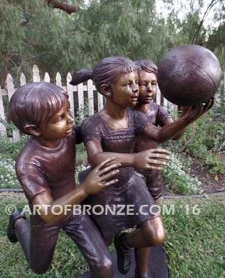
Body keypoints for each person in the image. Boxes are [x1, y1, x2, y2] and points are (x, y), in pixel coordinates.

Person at [70, 56, 212, 278]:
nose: (136, 90)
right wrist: (134, 159)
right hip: (103, 187)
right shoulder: (94, 124)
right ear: (107, 90)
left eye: (137, 83)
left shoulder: (135, 117)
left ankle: (125, 242)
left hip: (131, 182)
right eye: (129, 84)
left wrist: (187, 118)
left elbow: (159, 134)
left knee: (156, 235)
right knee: (101, 242)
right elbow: (96, 156)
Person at [6, 81, 121, 277]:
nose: (70, 120)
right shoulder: (28, 163)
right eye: (60, 117)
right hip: (47, 216)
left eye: (68, 112)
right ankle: (18, 221)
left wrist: (115, 100)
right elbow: (49, 213)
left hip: (73, 208)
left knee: (104, 264)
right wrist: (85, 189)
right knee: (38, 267)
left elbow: (90, 129)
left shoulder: (66, 134)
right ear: (34, 130)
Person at [133, 59, 186, 277]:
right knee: (131, 219)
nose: (149, 89)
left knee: (147, 223)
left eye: (153, 84)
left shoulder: (157, 110)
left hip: (153, 172)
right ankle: (127, 252)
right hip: (130, 173)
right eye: (144, 83)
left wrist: (184, 119)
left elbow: (175, 136)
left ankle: (142, 271)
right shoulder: (124, 111)